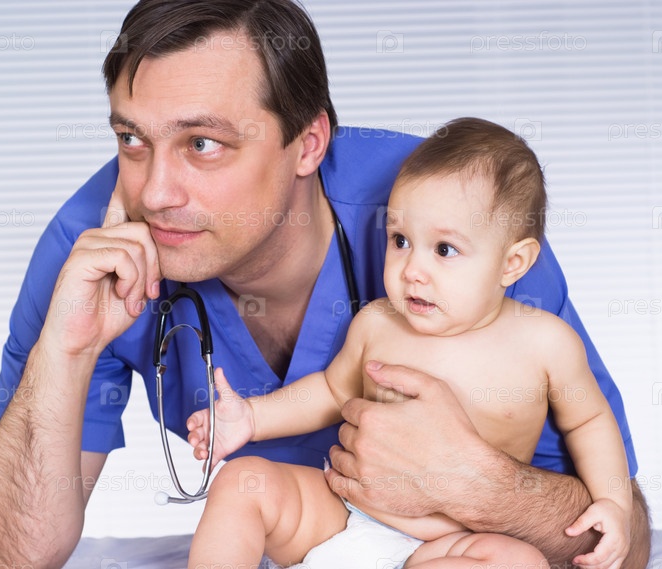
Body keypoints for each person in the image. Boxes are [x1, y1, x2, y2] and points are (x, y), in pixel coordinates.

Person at [0, 1, 650, 568]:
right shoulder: (91, 250)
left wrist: (484, 487)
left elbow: (619, 539)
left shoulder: (453, 215)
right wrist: (65, 353)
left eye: (202, 143)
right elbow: (6, 557)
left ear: (307, 144)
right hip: (310, 514)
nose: (154, 193)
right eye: (132, 139)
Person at [185, 118, 632, 569]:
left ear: (512, 263)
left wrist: (614, 504)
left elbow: (590, 421)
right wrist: (252, 417)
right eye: (400, 240)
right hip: (343, 514)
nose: (412, 270)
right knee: (242, 481)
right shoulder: (377, 322)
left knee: (519, 562)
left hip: (451, 543)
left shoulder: (545, 343)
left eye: (444, 250)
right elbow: (331, 391)